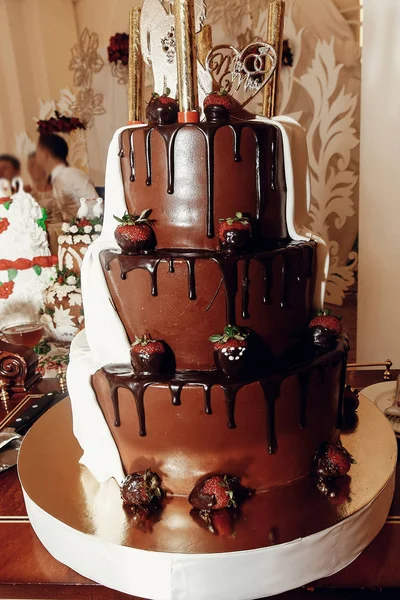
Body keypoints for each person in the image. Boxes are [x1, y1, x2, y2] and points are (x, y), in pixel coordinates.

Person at [35, 133, 97, 222]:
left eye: (37, 151)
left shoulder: (71, 175)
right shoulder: (57, 178)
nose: (36, 156)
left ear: (45, 153)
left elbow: (96, 209)